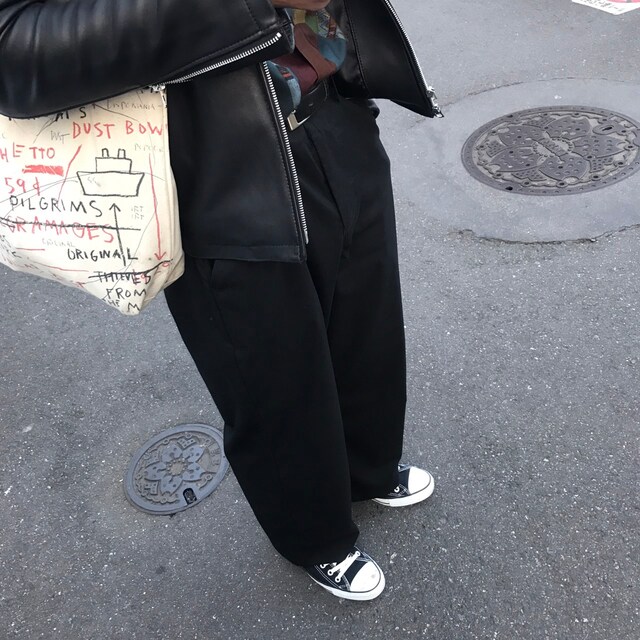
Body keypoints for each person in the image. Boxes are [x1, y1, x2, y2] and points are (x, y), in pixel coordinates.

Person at [0, 0, 442, 600]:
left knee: (367, 319)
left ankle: (369, 467)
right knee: (270, 375)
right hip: (213, 167)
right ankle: (315, 537)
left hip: (333, 103)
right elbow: (14, 50)